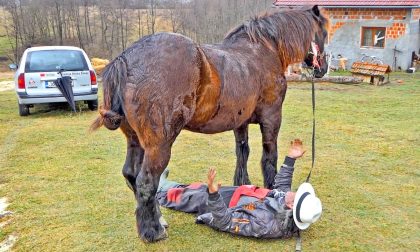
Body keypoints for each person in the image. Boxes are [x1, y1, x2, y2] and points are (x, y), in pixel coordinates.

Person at [156, 139, 322, 239]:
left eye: (296, 195)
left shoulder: (264, 224)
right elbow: (282, 188)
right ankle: (167, 185)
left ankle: (158, 191)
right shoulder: (288, 205)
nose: (292, 191)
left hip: (225, 205)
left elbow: (226, 222)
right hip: (241, 193)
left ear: (292, 206)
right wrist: (291, 158)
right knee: (198, 187)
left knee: (190, 198)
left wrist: (214, 196)